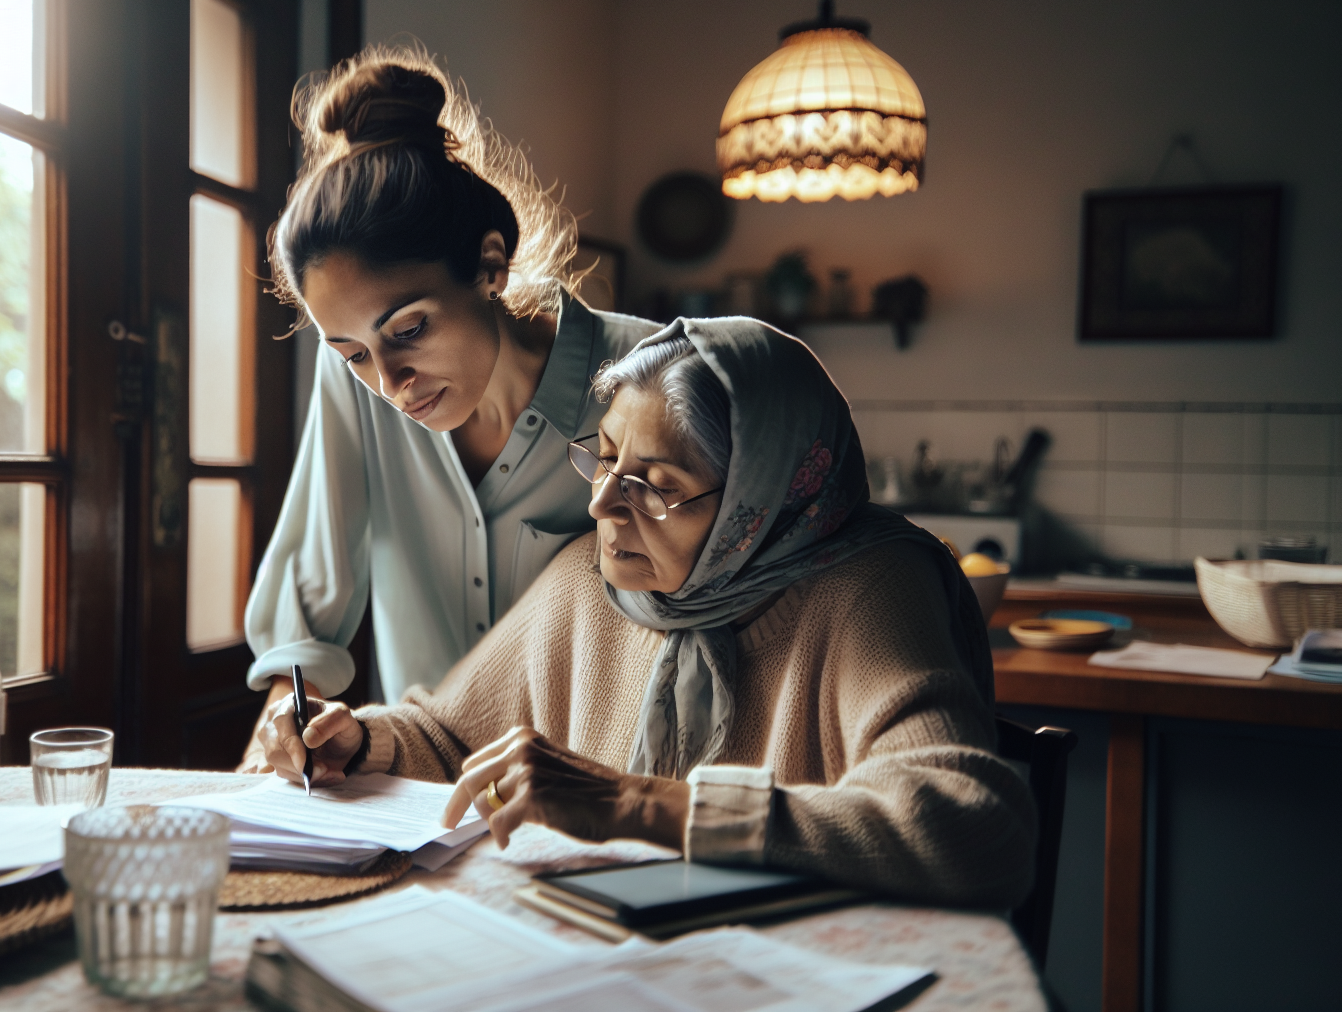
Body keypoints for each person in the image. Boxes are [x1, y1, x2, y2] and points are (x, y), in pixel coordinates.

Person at [256, 319, 1037, 908]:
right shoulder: (593, 584)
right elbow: (451, 737)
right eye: (604, 459)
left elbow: (974, 829)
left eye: (656, 484)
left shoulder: (869, 585)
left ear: (756, 502)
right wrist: (354, 739)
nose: (601, 504)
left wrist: (635, 803)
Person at [239, 46, 662, 769]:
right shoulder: (353, 387)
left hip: (606, 794)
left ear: (490, 265)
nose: (390, 381)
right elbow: (309, 608)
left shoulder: (649, 380)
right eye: (354, 352)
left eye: (409, 330)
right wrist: (287, 716)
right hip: (416, 790)